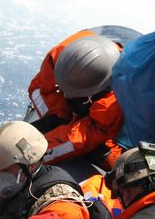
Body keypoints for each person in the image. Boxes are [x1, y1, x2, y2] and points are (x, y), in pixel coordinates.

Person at [28, 32, 125, 168]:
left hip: (111, 120)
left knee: (114, 162)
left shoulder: (113, 102)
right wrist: (61, 116)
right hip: (78, 94)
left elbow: (88, 133)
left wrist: (36, 156)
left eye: (75, 91)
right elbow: (38, 89)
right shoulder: (59, 55)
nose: (66, 96)